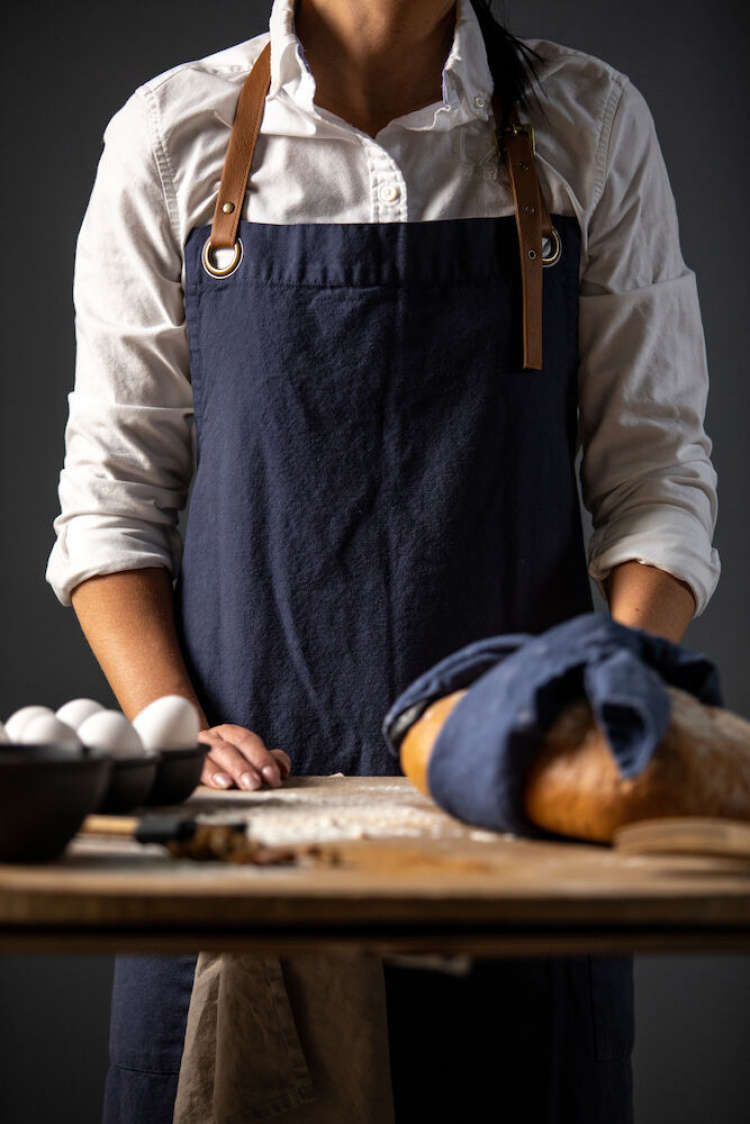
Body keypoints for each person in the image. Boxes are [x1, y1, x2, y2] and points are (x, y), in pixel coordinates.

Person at [47, 0, 719, 1120]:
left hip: (523, 823)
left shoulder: (590, 122)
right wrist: (177, 729)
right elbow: (111, 498)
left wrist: (603, 703)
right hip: (243, 835)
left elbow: (658, 479)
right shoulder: (170, 134)